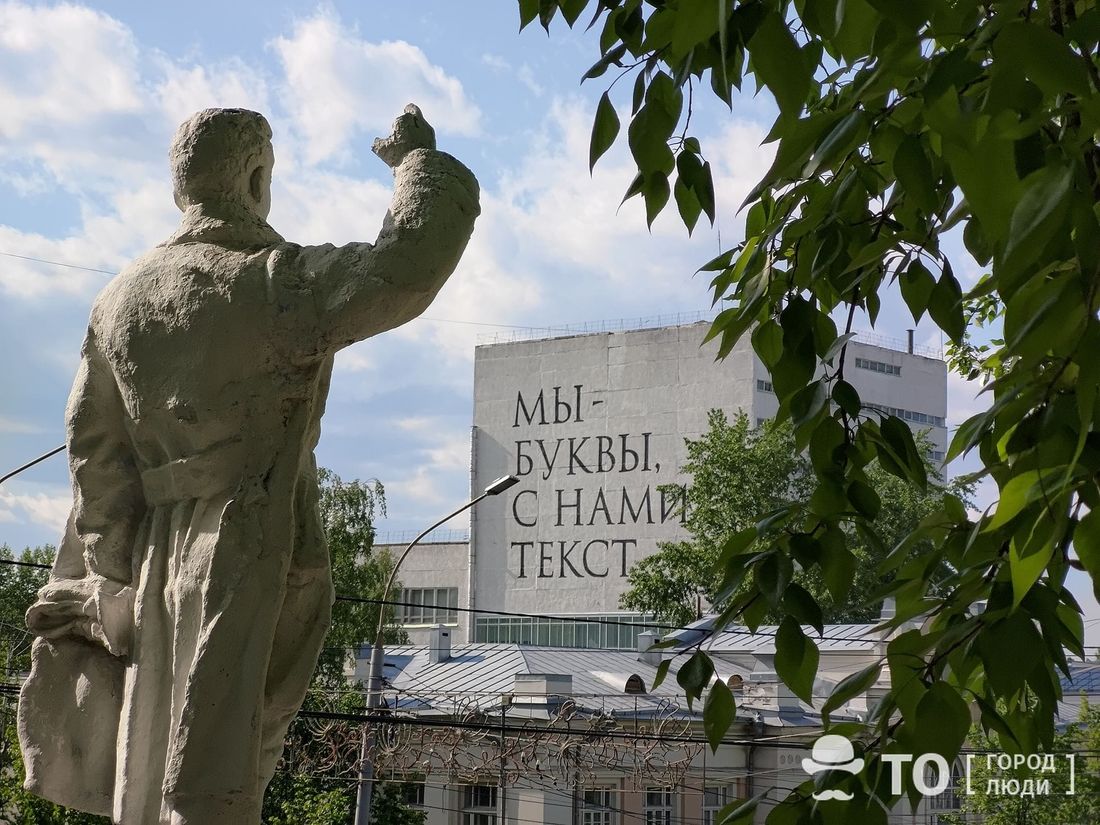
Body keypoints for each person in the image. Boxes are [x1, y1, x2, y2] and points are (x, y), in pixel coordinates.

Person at [17, 105, 479, 825]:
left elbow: (93, 452)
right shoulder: (273, 282)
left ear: (180, 186)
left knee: (157, 752)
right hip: (249, 537)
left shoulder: (118, 301)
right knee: (217, 771)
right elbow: (407, 268)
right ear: (258, 178)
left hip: (153, 556)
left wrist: (113, 573)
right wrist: (416, 163)